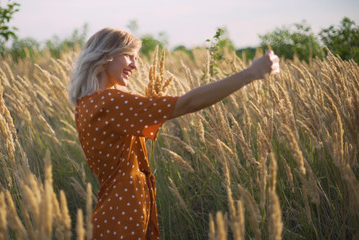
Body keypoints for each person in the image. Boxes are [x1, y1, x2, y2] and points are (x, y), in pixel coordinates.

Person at [68, 27, 279, 240]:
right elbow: (188, 103)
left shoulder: (87, 104)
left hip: (114, 212)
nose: (135, 65)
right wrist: (250, 73)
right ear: (106, 56)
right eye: (129, 56)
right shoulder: (111, 102)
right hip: (124, 216)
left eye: (136, 57)